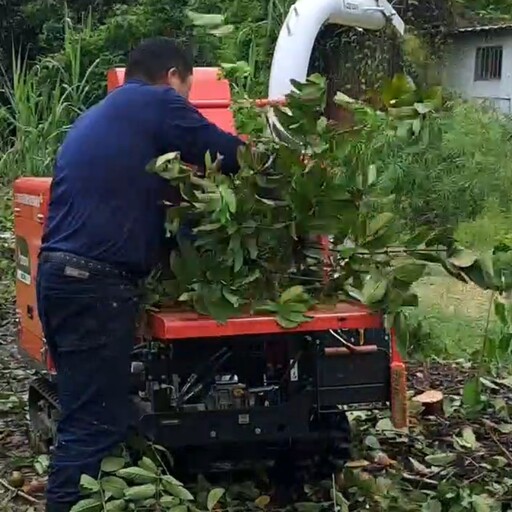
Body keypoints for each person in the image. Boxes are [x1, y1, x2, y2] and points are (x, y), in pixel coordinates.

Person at [36, 37, 245, 512]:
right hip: (94, 285)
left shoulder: (102, 115)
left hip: (62, 277)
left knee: (88, 417)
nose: (183, 102)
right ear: (173, 77)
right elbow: (223, 152)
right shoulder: (156, 102)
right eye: (186, 92)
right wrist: (280, 168)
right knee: (91, 426)